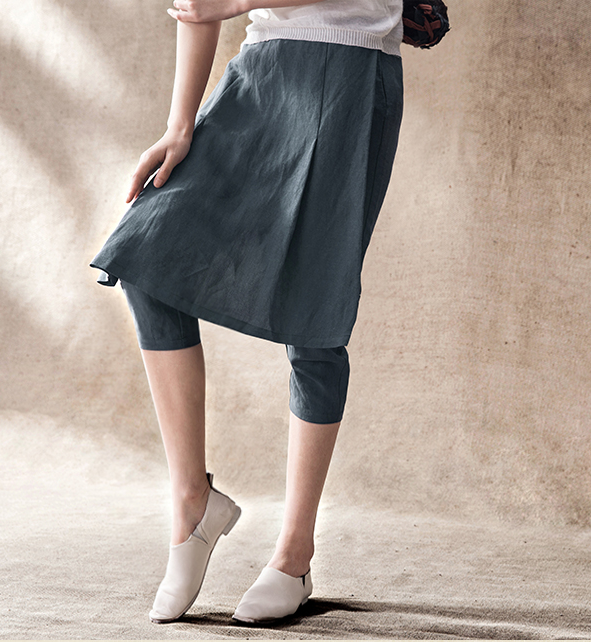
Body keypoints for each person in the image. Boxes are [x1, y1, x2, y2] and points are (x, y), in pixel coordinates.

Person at [89, 0, 403, 624]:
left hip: (351, 71)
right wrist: (180, 125)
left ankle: (294, 556)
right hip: (261, 72)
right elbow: (196, 6)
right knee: (147, 261)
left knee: (315, 315)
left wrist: (236, 1)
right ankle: (192, 500)